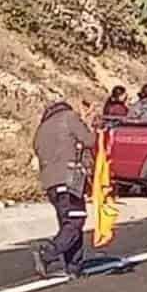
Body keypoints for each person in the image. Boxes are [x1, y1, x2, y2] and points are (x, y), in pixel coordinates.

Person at [32, 100, 96, 278]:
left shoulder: (41, 129)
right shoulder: (69, 118)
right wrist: (88, 125)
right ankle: (48, 253)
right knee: (74, 223)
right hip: (70, 180)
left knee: (68, 223)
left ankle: (74, 266)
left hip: (50, 184)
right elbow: (90, 140)